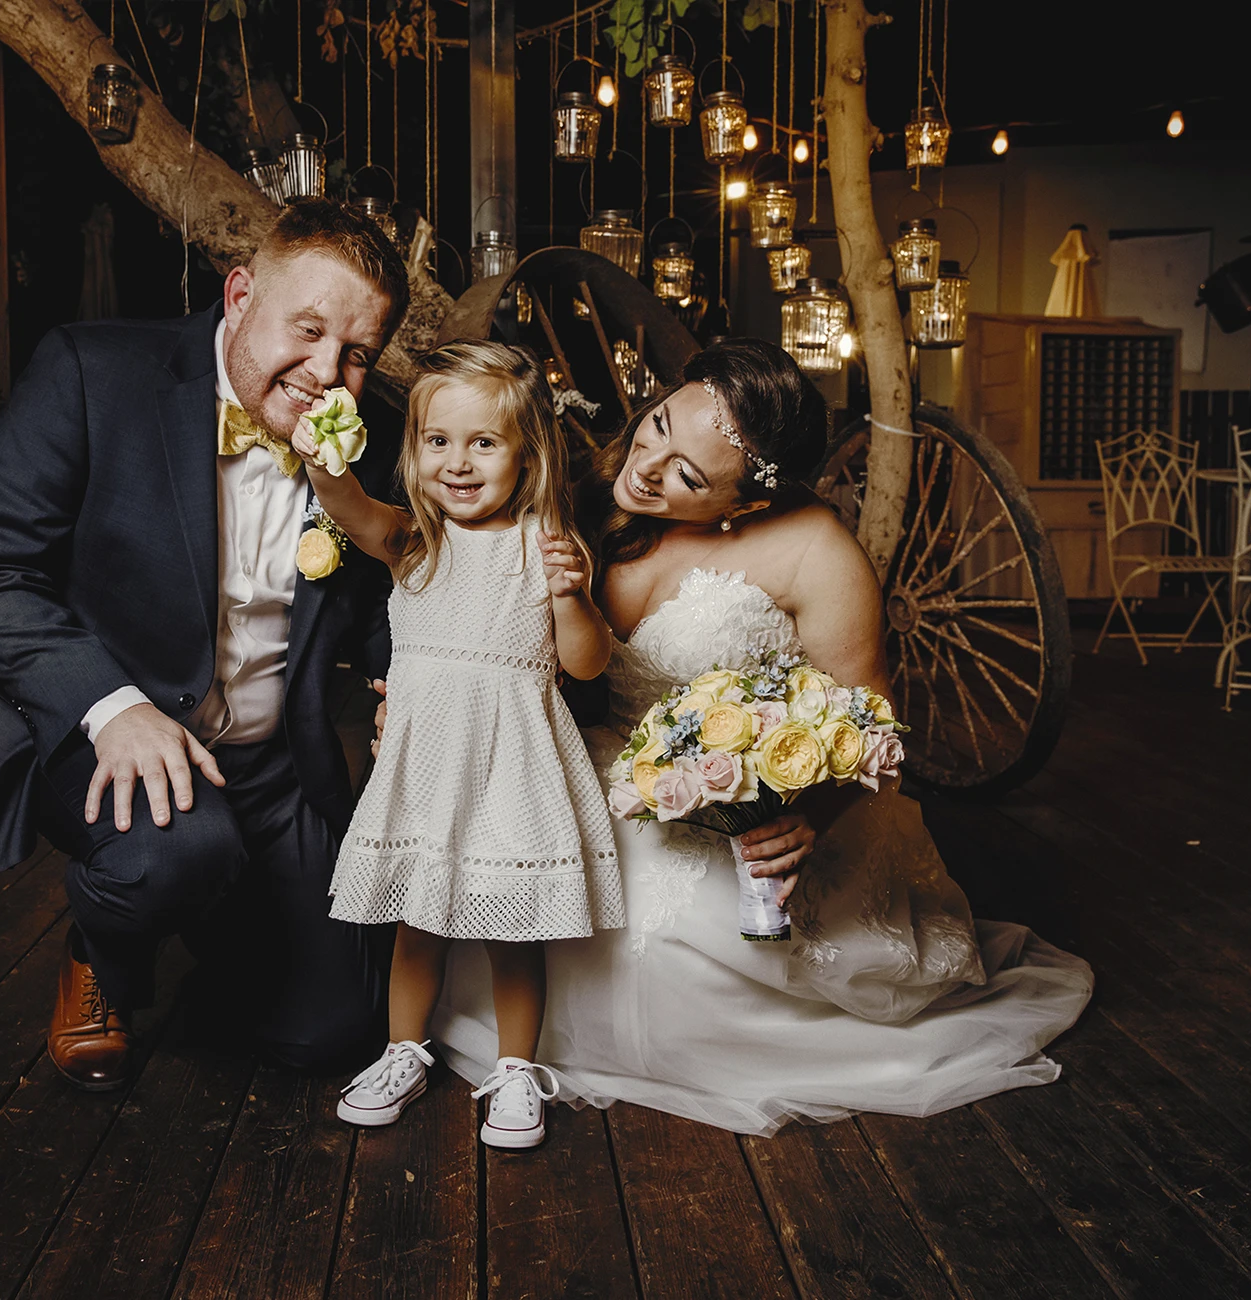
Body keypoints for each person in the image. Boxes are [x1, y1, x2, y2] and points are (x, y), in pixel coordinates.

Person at [431, 339, 1094, 1135]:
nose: (647, 467)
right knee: (526, 889)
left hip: (752, 798)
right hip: (603, 765)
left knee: (700, 946)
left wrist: (808, 815)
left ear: (745, 504)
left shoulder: (817, 550)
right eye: (658, 426)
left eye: (689, 476)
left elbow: (872, 721)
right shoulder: (584, 492)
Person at [0, 199, 410, 1088]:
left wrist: (405, 691)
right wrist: (112, 707)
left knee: (332, 1035)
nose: (325, 375)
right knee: (174, 854)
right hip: (106, 728)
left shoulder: (372, 439)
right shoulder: (92, 369)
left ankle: (219, 909)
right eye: (306, 331)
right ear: (239, 295)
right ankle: (100, 949)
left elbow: (391, 603)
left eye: (355, 354)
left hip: (272, 765)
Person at [294, 340, 624, 1150]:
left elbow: (587, 664)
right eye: (438, 441)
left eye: (485, 443)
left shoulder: (547, 547)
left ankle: (515, 1070)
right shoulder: (413, 540)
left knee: (514, 930)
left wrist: (572, 597)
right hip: (431, 766)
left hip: (515, 764)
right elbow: (346, 507)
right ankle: (402, 1050)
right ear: (413, 449)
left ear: (527, 453)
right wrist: (323, 455)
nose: (459, 462)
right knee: (419, 921)